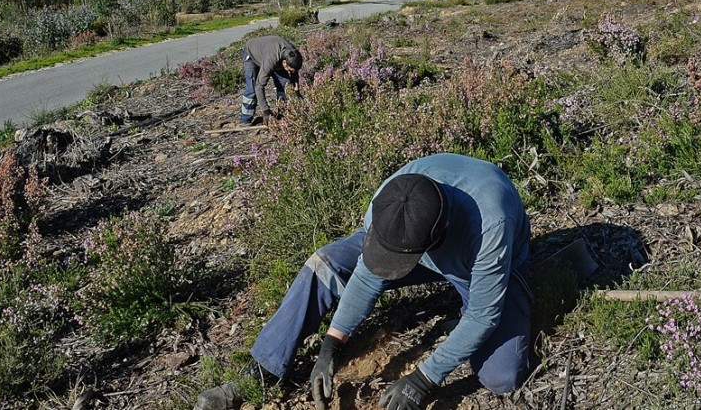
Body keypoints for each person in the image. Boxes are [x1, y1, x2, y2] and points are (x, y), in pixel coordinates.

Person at [194, 153, 533, 410]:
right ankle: (264, 369)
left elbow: (483, 315)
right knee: (324, 263)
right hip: (419, 245)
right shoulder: (392, 199)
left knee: (501, 376)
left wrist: (423, 379)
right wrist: (331, 345)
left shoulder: (490, 222)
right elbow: (368, 275)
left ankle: (532, 284)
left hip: (474, 265)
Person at [240, 35, 303, 126]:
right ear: (284, 62)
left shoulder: (293, 54)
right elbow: (259, 86)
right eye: (289, 69)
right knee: (252, 89)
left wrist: (296, 87)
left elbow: (294, 72)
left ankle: (282, 115)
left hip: (270, 53)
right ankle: (245, 119)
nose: (290, 72)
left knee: (284, 86)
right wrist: (266, 111)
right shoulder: (271, 60)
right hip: (251, 53)